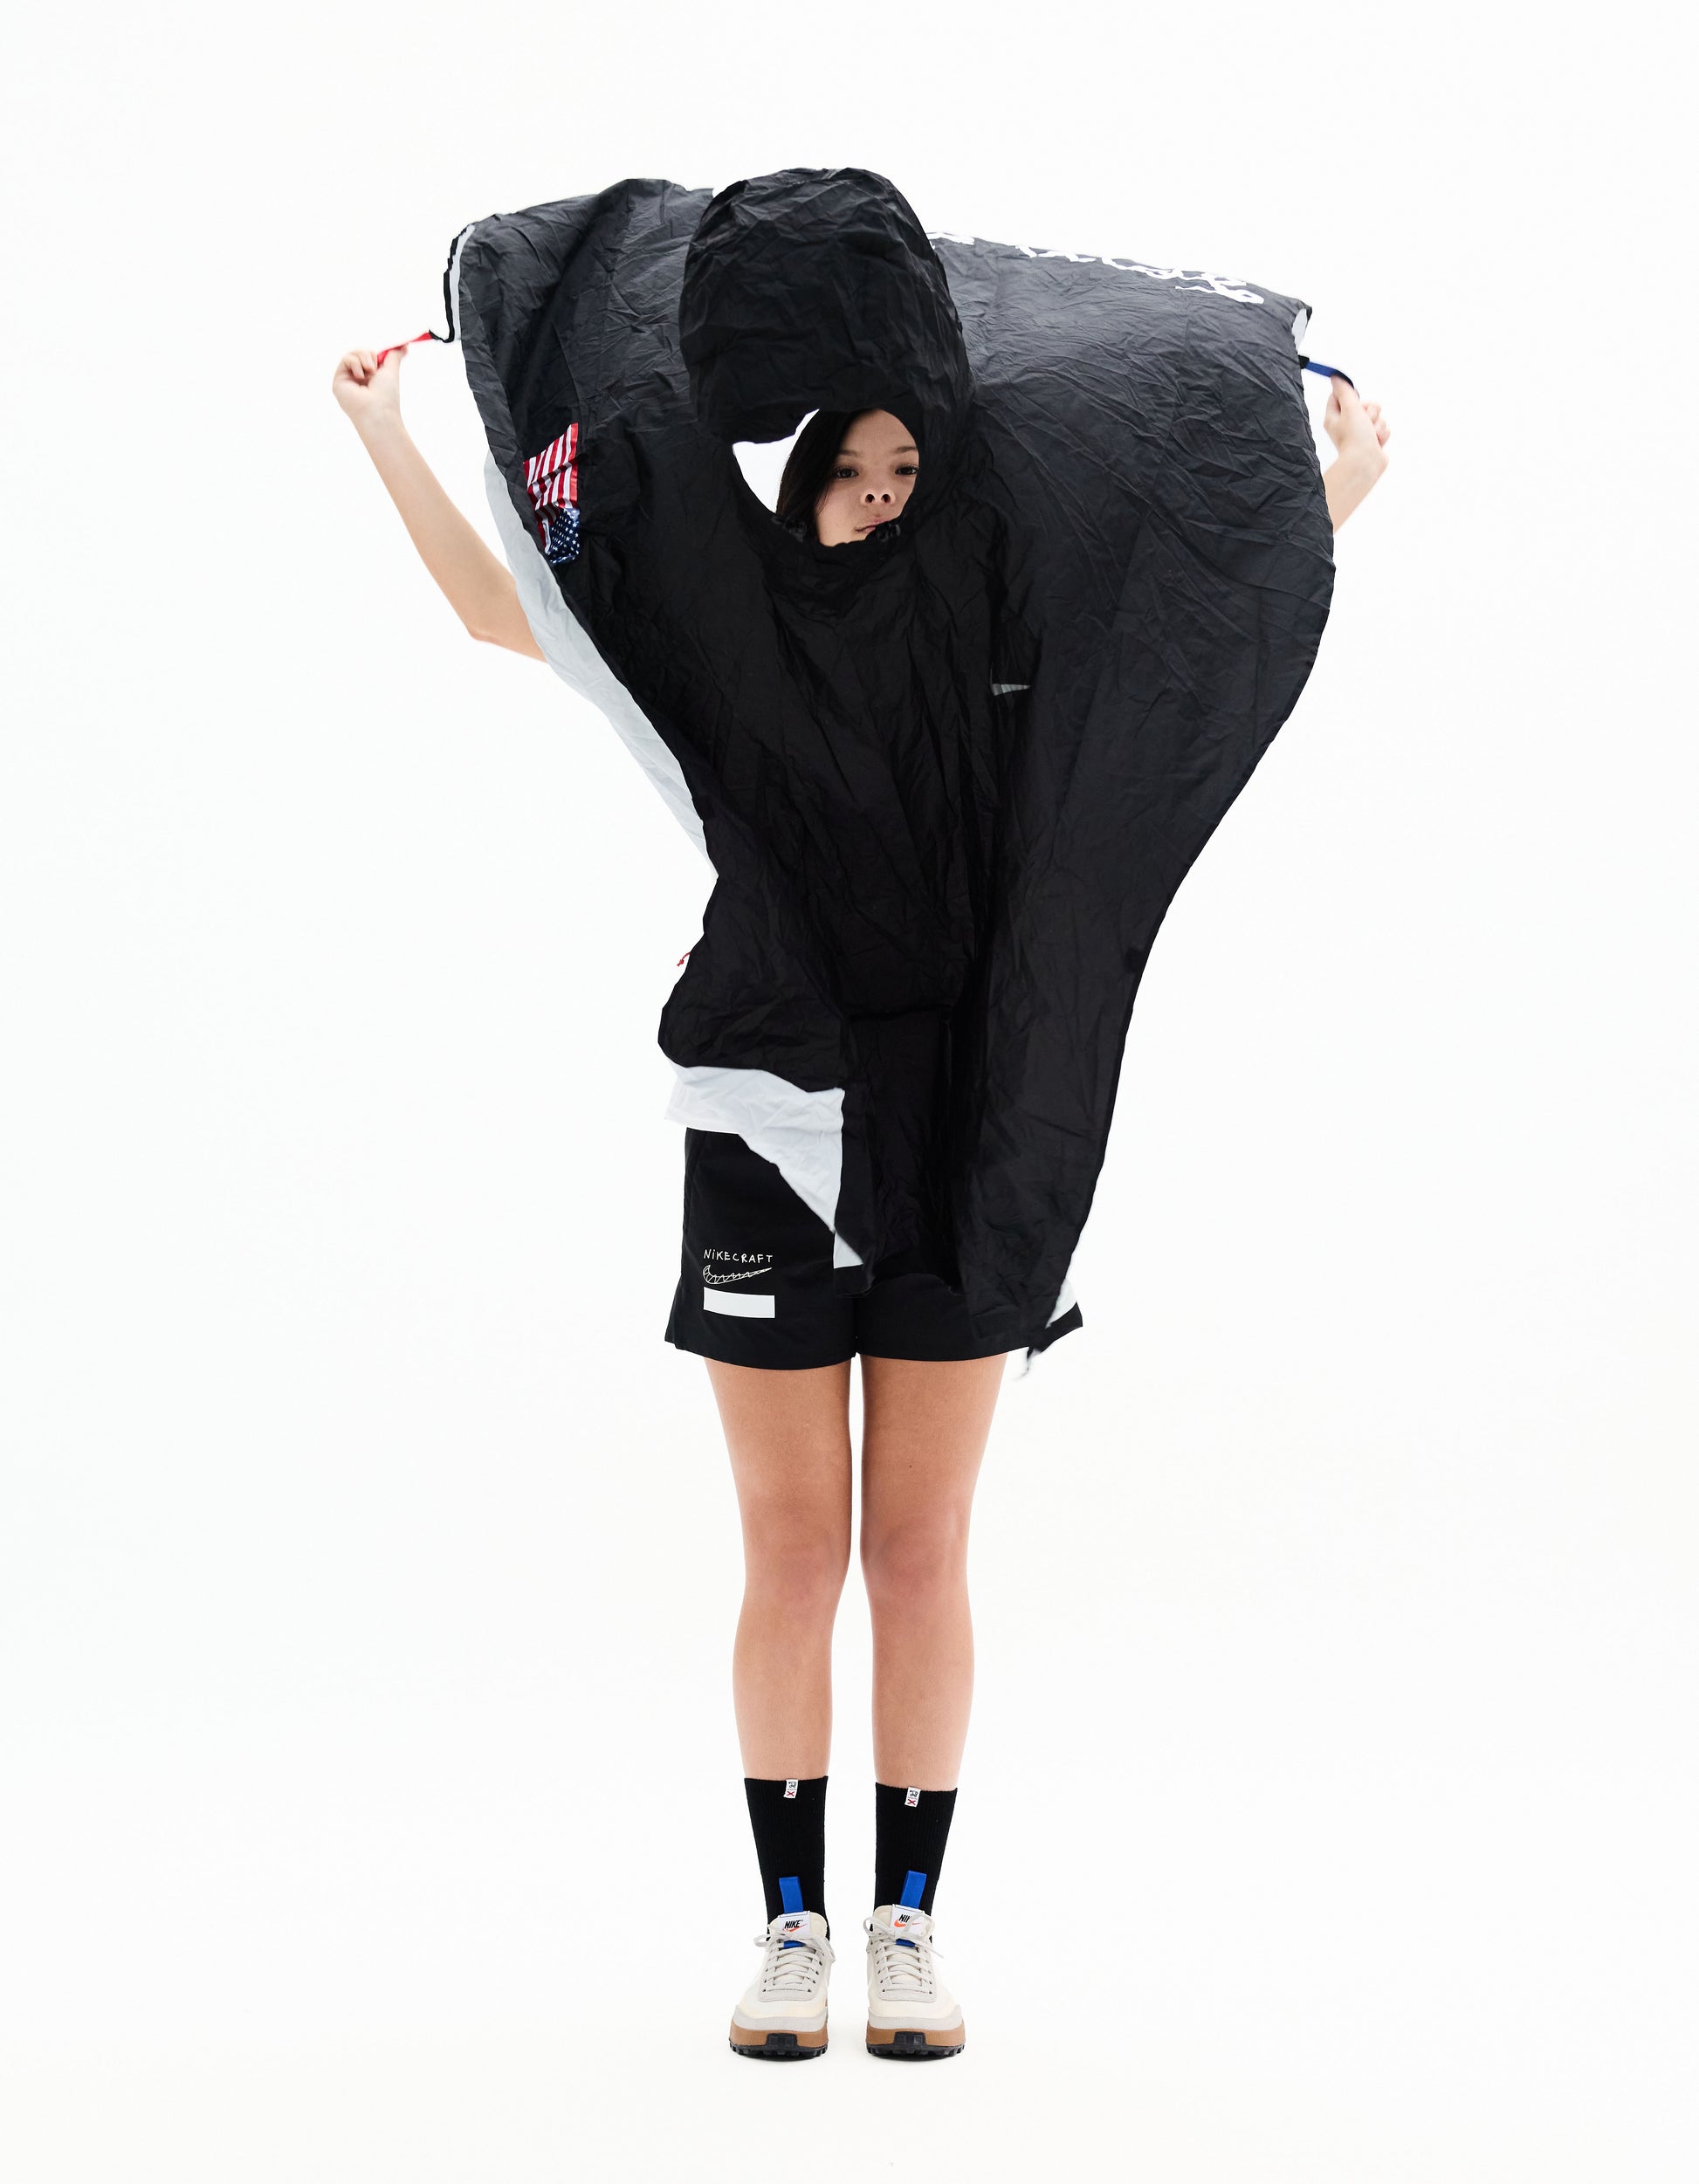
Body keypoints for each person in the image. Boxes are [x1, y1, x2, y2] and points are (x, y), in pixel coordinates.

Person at [332, 343, 1390, 2060]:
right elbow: (493, 612)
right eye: (852, 473)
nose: (881, 499)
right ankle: (789, 1931)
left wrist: (1338, 489)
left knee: (915, 1549)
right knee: (793, 1546)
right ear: (803, 498)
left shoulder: (1014, 679)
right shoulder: (715, 671)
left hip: (969, 1143)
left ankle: (905, 1925)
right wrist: (384, 430)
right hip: (768, 1131)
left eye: (911, 477)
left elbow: (1187, 646)